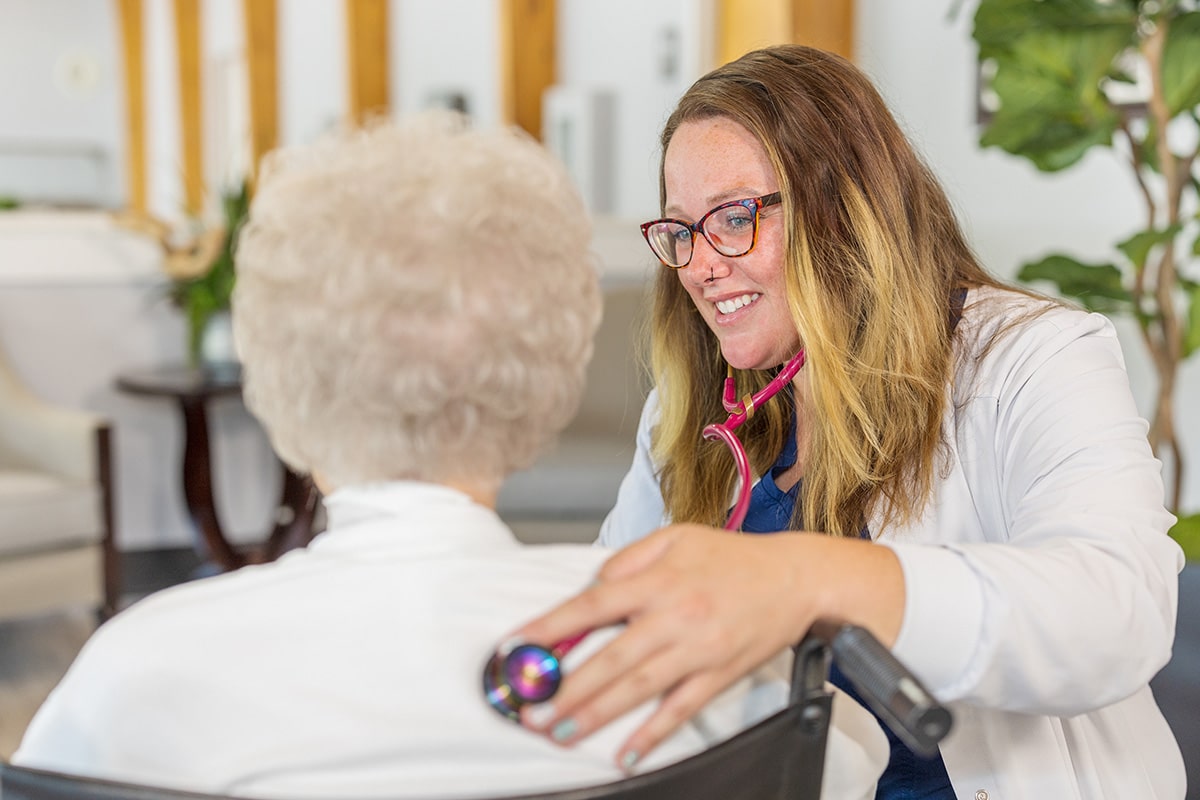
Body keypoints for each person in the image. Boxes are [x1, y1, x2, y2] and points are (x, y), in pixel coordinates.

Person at [13, 111, 888, 799]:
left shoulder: (140, 670)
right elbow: (852, 765)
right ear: (547, 379)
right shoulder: (713, 659)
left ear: (278, 386)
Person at [511, 45, 1188, 799]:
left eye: (735, 217)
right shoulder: (691, 410)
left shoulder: (1032, 357)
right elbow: (614, 614)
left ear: (845, 209)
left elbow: (1118, 615)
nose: (701, 265)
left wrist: (814, 579)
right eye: (681, 230)